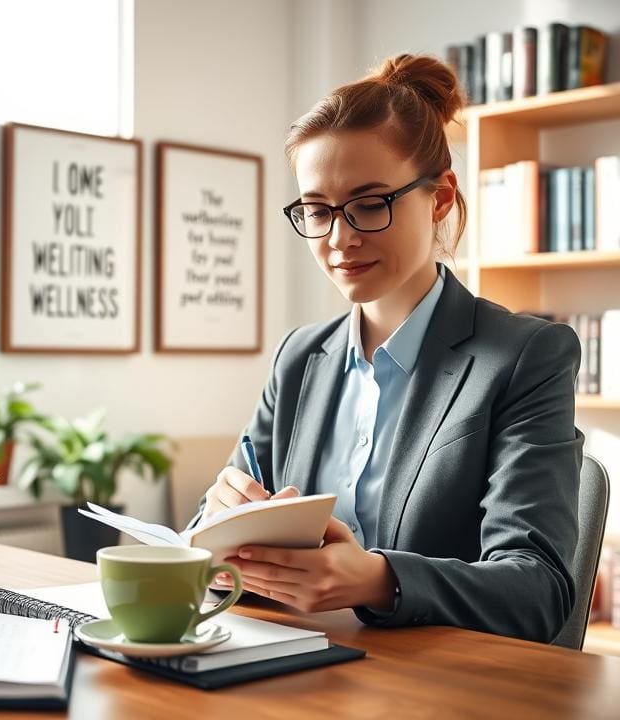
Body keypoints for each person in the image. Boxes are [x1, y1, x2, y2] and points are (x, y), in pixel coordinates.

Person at [194, 53, 583, 644]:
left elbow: (537, 591)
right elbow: (207, 545)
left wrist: (378, 581)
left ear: (441, 198)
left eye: (370, 204)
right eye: (317, 210)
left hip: (434, 691)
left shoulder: (526, 357)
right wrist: (216, 522)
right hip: (289, 672)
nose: (340, 239)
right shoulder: (299, 359)